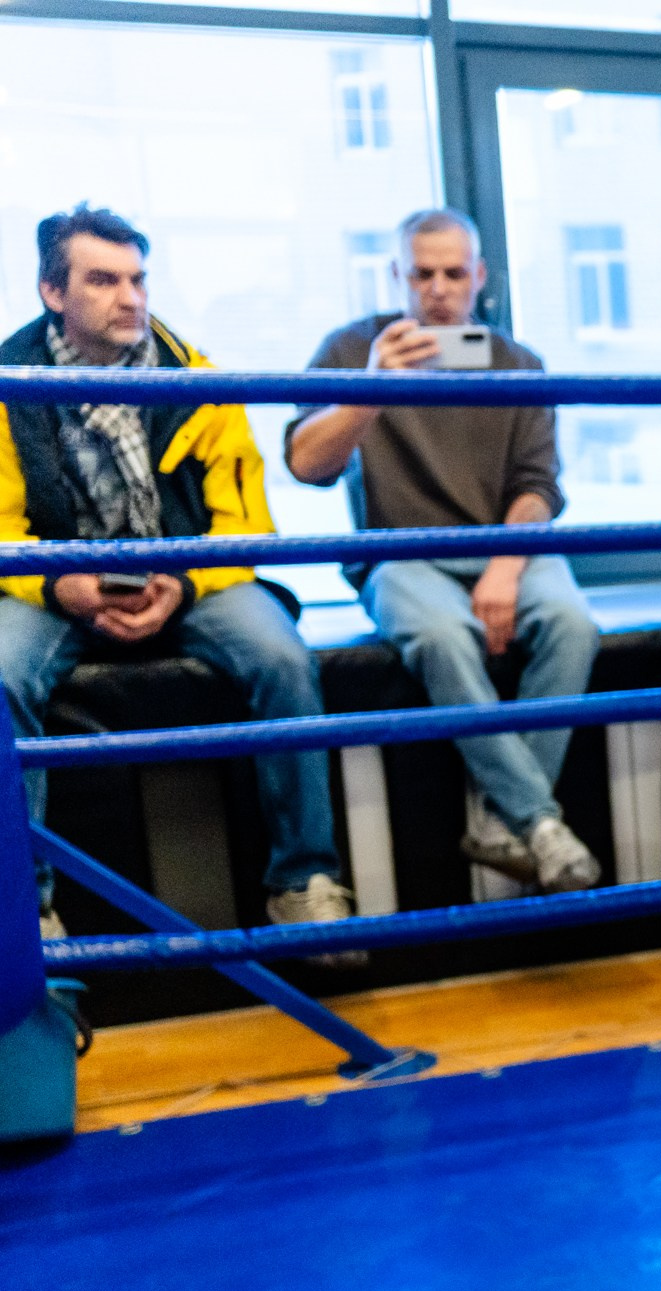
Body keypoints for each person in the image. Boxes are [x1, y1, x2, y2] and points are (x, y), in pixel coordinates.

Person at [0, 205, 358, 954]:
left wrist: (184, 584)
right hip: (54, 586)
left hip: (190, 578)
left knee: (283, 657)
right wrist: (59, 584)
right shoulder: (8, 384)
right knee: (1, 675)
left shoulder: (199, 379)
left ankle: (304, 884)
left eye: (138, 279)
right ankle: (27, 910)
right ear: (52, 292)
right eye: (104, 280)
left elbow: (244, 523)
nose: (131, 297)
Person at [284, 207, 602, 895]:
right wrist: (372, 388)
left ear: (479, 277)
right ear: (396, 275)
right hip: (400, 554)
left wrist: (505, 568)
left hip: (502, 545)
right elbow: (305, 464)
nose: (437, 289)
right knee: (442, 637)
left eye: (453, 273)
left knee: (575, 624)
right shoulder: (352, 349)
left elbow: (538, 487)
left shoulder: (518, 364)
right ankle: (538, 821)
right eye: (421, 274)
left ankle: (503, 820)